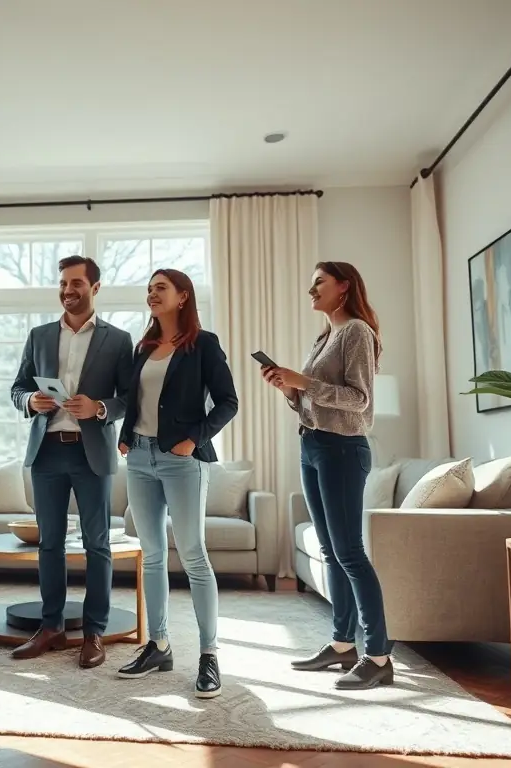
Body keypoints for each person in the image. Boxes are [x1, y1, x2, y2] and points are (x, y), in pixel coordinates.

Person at [260, 260, 394, 690]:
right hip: (313, 445)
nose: (311, 289)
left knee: (350, 552)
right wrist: (290, 390)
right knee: (332, 551)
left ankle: (378, 654)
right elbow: (314, 404)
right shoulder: (325, 336)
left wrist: (305, 381)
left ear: (344, 286)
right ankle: (342, 645)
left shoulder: (356, 332)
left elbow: (359, 401)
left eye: (318, 282)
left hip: (341, 449)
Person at [115, 269, 238, 699]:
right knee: (150, 555)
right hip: (140, 458)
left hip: (183, 459)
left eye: (160, 288)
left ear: (183, 296)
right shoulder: (143, 346)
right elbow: (136, 401)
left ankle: (208, 654)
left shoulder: (203, 344)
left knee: (193, 555)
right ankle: (159, 644)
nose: (152, 294)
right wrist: (126, 436)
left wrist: (195, 439)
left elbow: (228, 402)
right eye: (149, 289)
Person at [9, 255, 134, 669]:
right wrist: (30, 400)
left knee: (97, 545)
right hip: (47, 451)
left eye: (76, 283)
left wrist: (98, 407)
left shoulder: (118, 340)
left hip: (91, 452)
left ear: (94, 288)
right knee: (50, 544)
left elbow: (127, 400)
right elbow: (17, 388)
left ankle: (94, 632)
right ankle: (51, 627)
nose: (67, 290)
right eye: (63, 283)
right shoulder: (39, 335)